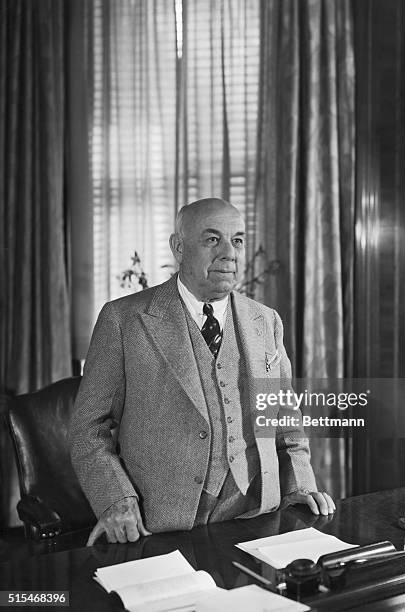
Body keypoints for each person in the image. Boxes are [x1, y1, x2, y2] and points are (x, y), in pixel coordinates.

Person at [69, 198, 335, 545]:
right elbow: (88, 429)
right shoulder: (123, 320)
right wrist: (116, 501)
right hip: (161, 525)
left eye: (237, 240)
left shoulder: (266, 321)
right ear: (178, 247)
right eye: (212, 240)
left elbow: (287, 417)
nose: (229, 253)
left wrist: (299, 485)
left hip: (256, 516)